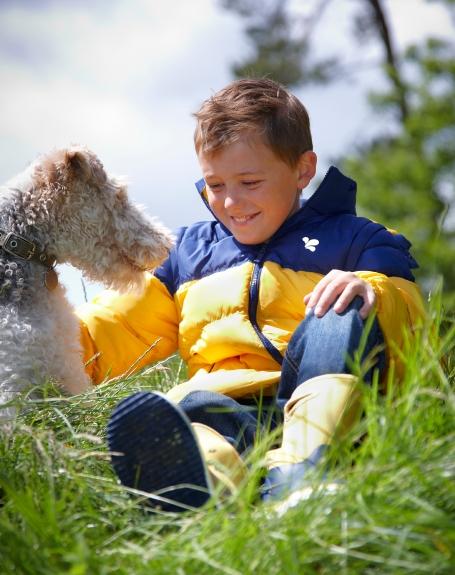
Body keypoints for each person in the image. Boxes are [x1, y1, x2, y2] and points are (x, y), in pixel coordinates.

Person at [77, 78, 425, 512]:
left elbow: (413, 321)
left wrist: (370, 289)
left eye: (249, 182)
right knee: (195, 416)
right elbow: (113, 326)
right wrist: (41, 338)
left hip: (329, 402)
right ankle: (211, 482)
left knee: (339, 308)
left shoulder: (359, 239)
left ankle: (301, 473)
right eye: (215, 185)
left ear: (302, 170)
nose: (231, 202)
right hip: (226, 405)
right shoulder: (185, 254)